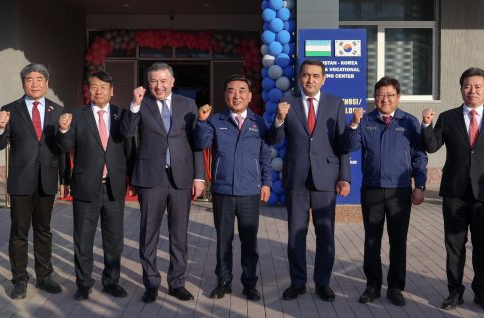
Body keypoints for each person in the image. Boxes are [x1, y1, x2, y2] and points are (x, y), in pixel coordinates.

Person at [421, 67, 484, 312]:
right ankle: (454, 292)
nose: (472, 91)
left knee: (483, 246)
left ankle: (482, 292)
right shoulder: (448, 118)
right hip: (455, 193)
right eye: (467, 86)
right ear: (461, 89)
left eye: (477, 87)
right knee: (454, 245)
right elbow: (432, 146)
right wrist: (426, 124)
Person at [119, 62, 206, 303]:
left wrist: (199, 177)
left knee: (179, 234)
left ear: (172, 82)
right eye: (154, 81)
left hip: (181, 177)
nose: (159, 86)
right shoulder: (141, 104)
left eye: (163, 81)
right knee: (149, 233)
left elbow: (197, 142)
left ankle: (177, 282)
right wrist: (134, 105)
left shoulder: (187, 104)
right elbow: (127, 133)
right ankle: (151, 283)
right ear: (148, 83)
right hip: (151, 177)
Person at [267, 59, 351, 302]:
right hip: (297, 178)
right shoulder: (288, 103)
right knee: (296, 233)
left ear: (324, 79)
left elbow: (342, 144)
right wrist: (279, 119)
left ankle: (323, 283)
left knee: (325, 233)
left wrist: (344, 177)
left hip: (326, 178)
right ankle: (298, 282)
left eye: (315, 76)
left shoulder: (335, 103)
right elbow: (274, 139)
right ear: (299, 78)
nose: (310, 80)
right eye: (306, 75)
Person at [340, 76, 427, 306]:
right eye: (380, 95)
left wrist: (420, 186)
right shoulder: (366, 120)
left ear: (398, 97)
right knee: (372, 240)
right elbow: (348, 146)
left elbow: (419, 156)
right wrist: (353, 124)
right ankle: (372, 285)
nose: (385, 99)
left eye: (390, 95)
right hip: (372, 190)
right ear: (374, 97)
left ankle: (396, 287)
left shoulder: (409, 122)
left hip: (400, 191)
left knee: (398, 241)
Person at [57, 71, 135, 301]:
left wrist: (132, 180)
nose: (98, 91)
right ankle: (83, 283)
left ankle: (112, 281)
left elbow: (130, 149)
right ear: (88, 90)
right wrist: (63, 130)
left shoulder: (122, 115)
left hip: (114, 187)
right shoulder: (75, 115)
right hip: (85, 186)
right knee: (83, 239)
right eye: (94, 87)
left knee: (114, 239)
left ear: (112, 91)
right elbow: (65, 148)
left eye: (103, 87)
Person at [195, 74, 272, 302]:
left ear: (250, 96)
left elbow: (265, 156)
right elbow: (202, 143)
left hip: (250, 192)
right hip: (223, 191)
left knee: (249, 242)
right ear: (225, 95)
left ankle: (249, 283)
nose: (236, 95)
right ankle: (223, 282)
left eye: (241, 91)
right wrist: (201, 122)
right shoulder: (215, 120)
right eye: (231, 91)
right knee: (223, 241)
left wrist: (266, 182)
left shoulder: (259, 122)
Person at [0, 63, 64, 300]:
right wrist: (0, 127)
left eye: (39, 79)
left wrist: (65, 178)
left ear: (47, 83)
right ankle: (19, 279)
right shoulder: (10, 109)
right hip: (21, 180)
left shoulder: (58, 110)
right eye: (29, 79)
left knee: (44, 230)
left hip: (47, 180)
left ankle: (44, 276)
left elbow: (63, 148)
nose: (34, 84)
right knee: (19, 232)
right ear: (23, 83)